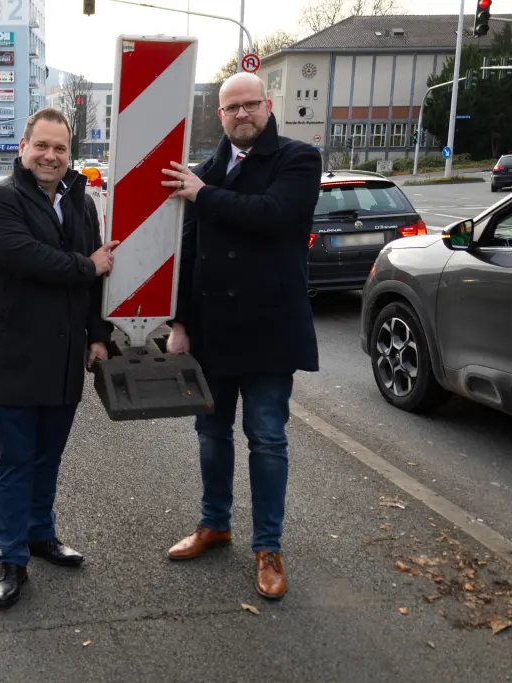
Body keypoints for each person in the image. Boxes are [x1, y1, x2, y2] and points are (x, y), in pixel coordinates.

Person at [159, 72, 322, 600]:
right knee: (210, 435)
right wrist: (179, 323)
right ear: (220, 115)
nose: (242, 114)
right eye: (232, 108)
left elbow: (274, 216)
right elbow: (186, 251)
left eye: (251, 105)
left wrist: (203, 194)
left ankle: (267, 547)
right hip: (210, 331)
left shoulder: (297, 159)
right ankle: (214, 524)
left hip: (270, 331)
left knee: (268, 439)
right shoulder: (204, 170)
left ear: (268, 106)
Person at [0, 108, 119, 609]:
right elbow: (25, 257)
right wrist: (87, 263)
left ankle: (40, 535)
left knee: (48, 457)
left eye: (60, 149)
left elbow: (102, 278)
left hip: (63, 359)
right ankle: (11, 558)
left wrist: (98, 336)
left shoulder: (81, 203)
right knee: (14, 462)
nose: (51, 157)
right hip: (14, 356)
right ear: (23, 145)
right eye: (42, 146)